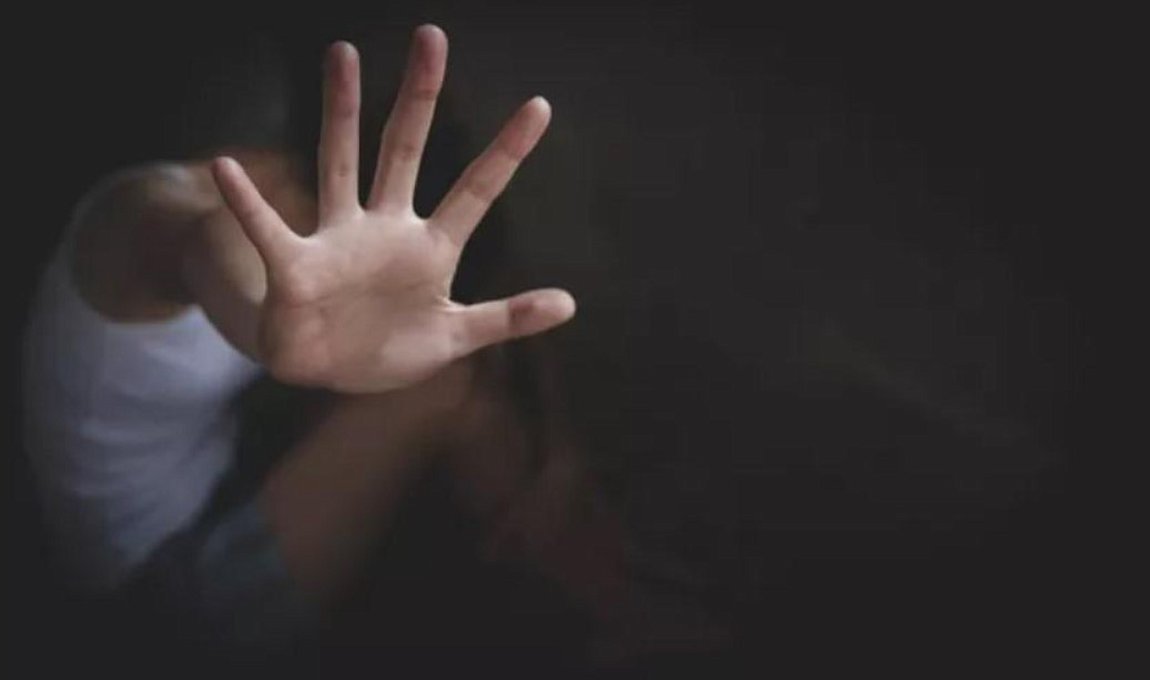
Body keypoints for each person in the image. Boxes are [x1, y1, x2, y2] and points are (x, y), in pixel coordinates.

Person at [20, 23, 644, 651]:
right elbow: (208, 253)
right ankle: (626, 616)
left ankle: (581, 551)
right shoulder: (150, 218)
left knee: (451, 352)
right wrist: (268, 334)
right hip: (156, 590)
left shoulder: (272, 184)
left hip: (223, 467)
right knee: (450, 389)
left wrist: (562, 454)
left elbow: (497, 291)